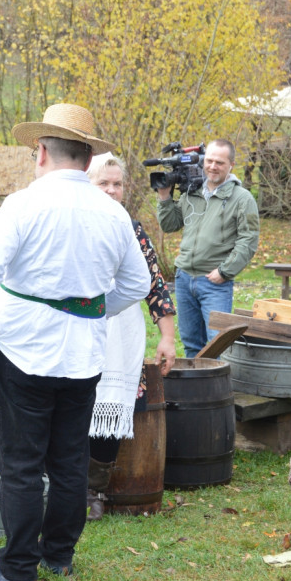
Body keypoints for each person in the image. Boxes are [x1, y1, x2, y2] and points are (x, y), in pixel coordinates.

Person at [0, 103, 150, 581]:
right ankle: (58, 555)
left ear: (41, 151)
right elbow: (138, 282)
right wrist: (94, 313)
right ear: (88, 160)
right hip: (84, 354)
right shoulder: (113, 212)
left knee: (20, 463)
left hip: (24, 348)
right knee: (68, 459)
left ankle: (19, 568)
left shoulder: (23, 205)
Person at [84, 153, 177, 521]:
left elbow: (155, 285)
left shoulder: (132, 228)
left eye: (117, 183)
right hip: (75, 330)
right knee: (71, 408)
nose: (111, 189)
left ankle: (94, 491)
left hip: (120, 334)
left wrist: (167, 337)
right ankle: (62, 485)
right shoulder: (73, 222)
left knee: (109, 410)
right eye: (103, 182)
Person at [156, 140, 258, 356]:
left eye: (219, 162)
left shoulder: (241, 199)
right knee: (192, 345)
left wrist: (224, 272)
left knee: (218, 346)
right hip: (184, 279)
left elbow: (248, 241)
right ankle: (196, 390)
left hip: (214, 284)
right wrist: (164, 197)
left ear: (231, 164)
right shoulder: (192, 193)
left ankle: (220, 390)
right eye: (209, 161)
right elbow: (170, 225)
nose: (212, 166)